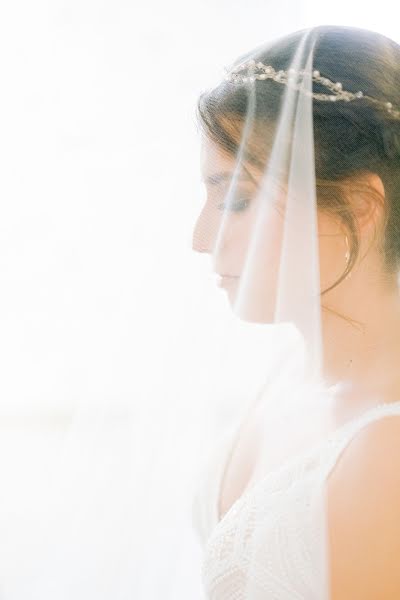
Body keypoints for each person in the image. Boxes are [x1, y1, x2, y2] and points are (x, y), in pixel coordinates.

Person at [191, 25, 400, 599]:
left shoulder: (388, 458)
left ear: (358, 207)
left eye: (234, 199)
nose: (201, 238)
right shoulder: (288, 366)